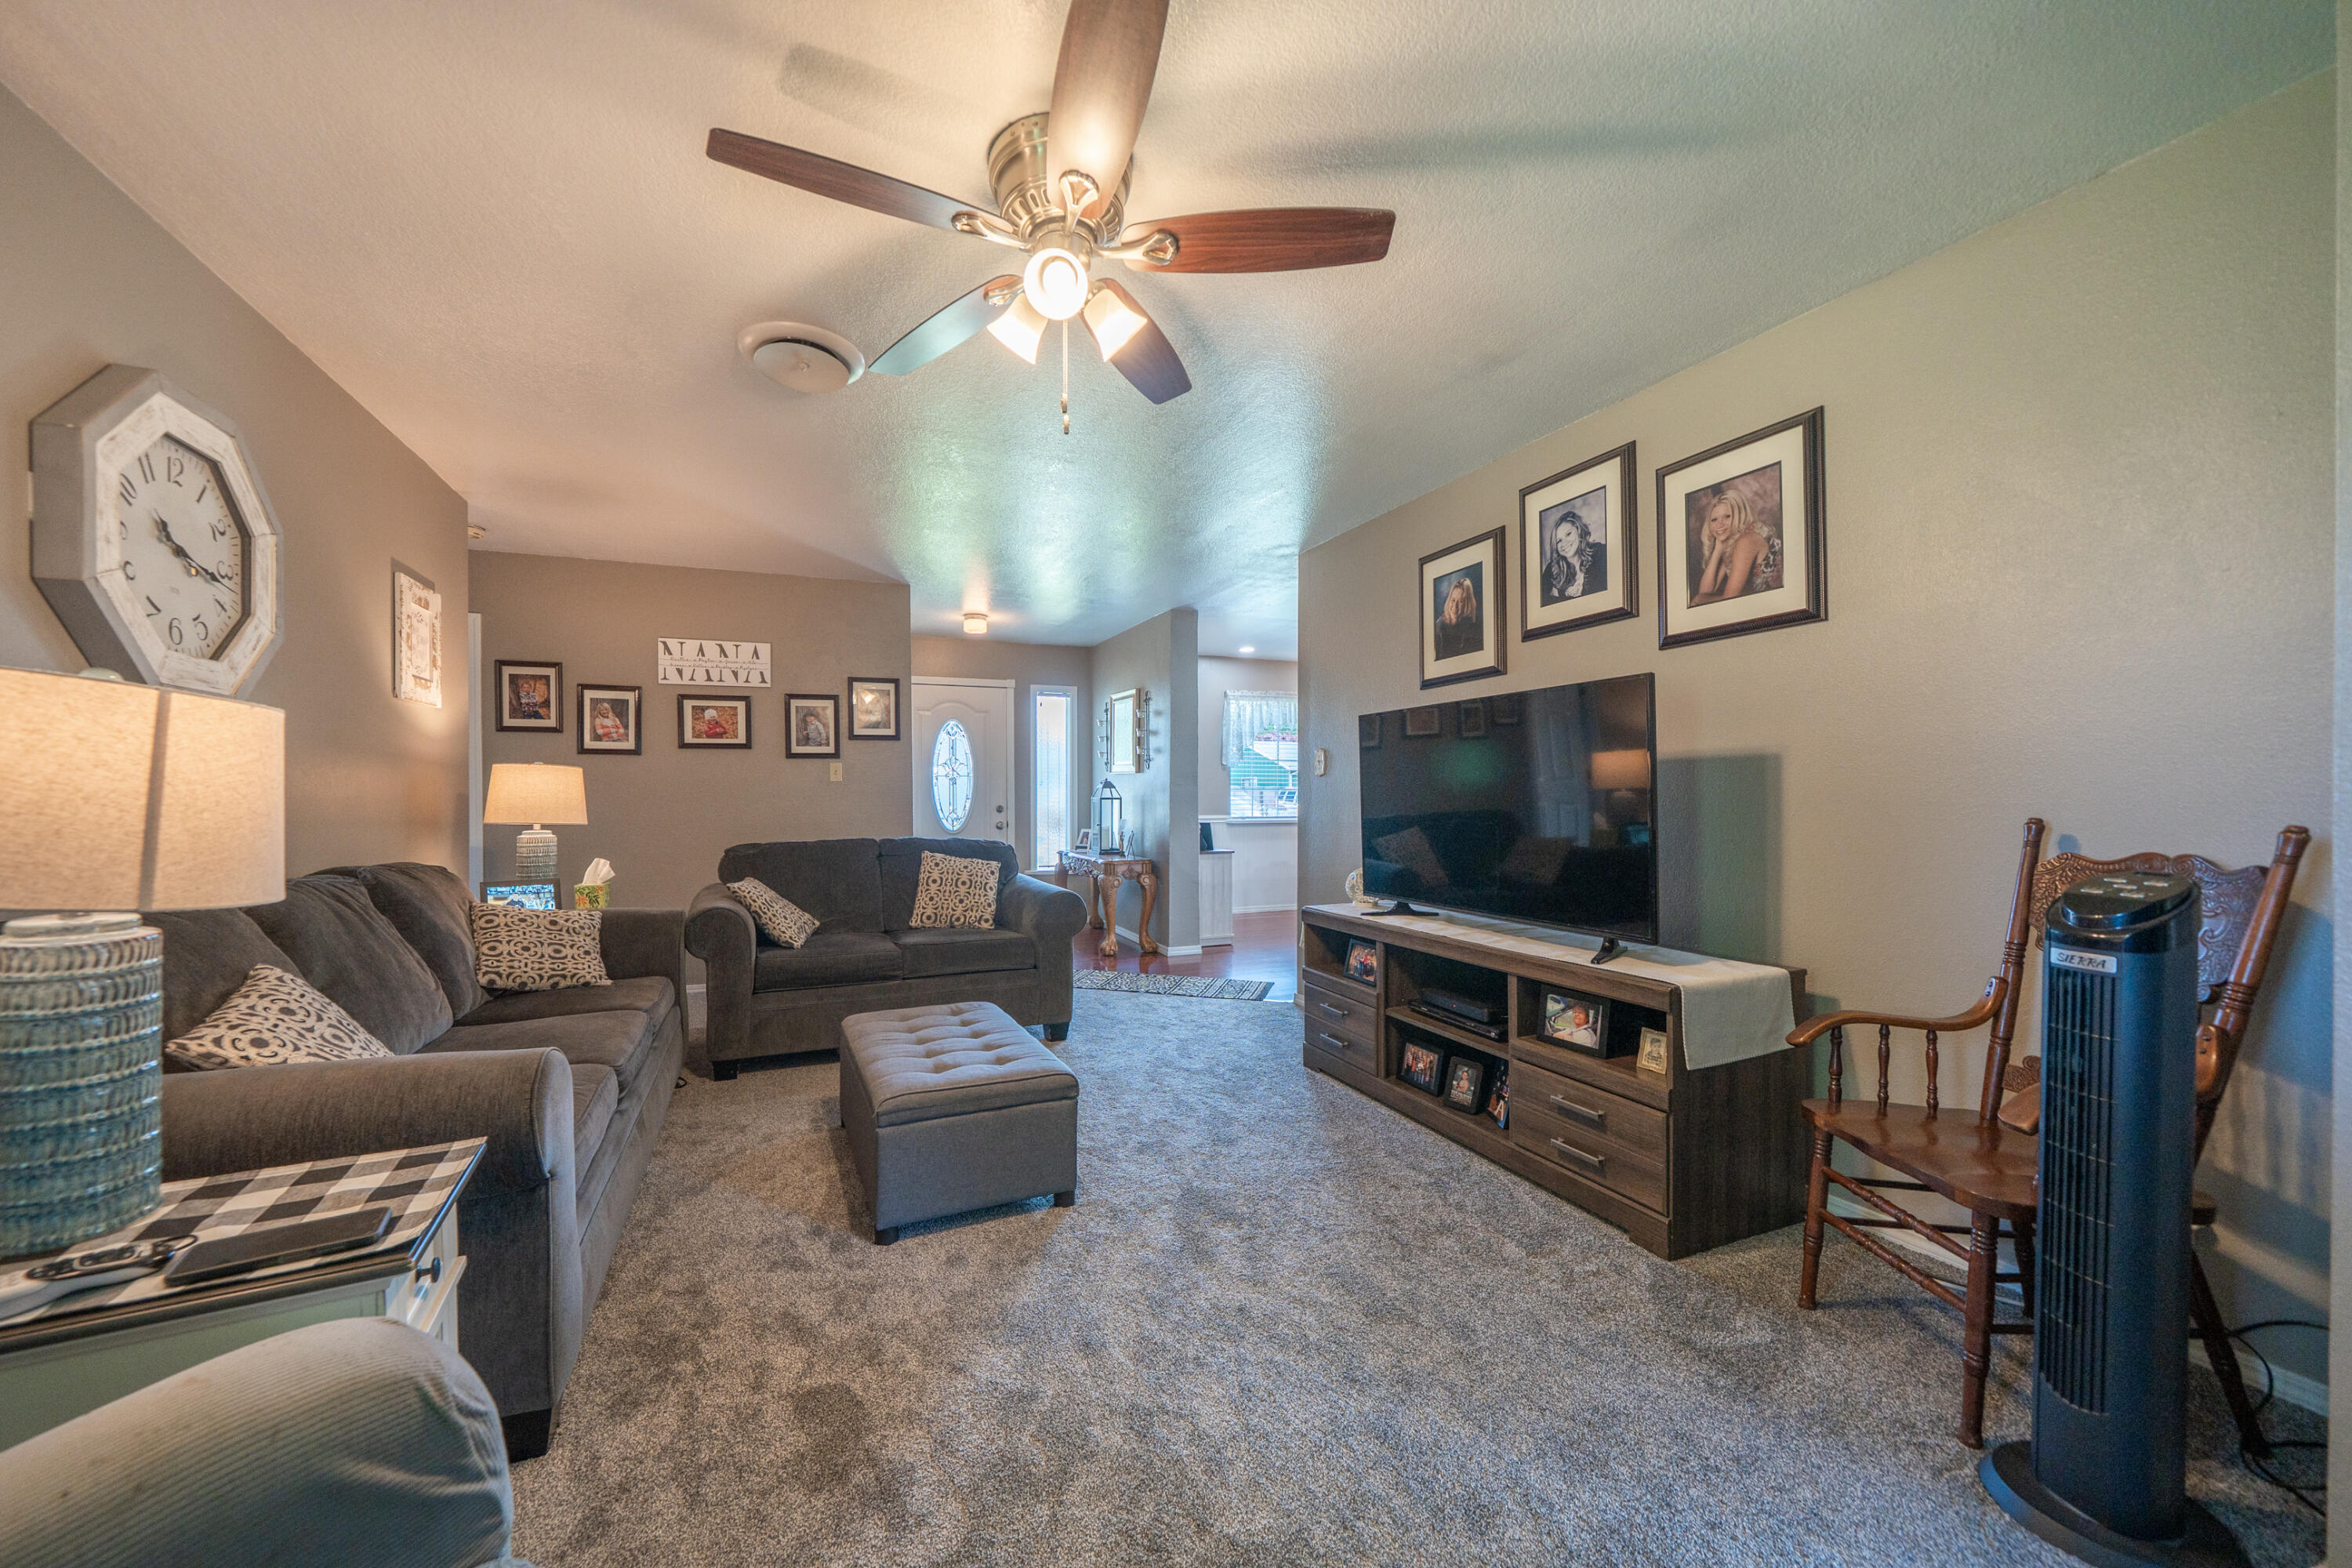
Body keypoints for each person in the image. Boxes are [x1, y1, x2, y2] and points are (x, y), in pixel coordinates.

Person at [1690, 486, 1784, 605]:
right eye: (1714, 520)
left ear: (1739, 515)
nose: (1719, 524)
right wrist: (1718, 548)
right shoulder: (1734, 540)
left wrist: (1699, 600)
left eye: (1727, 517)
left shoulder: (1747, 541)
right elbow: (1706, 591)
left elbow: (1731, 599)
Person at [1544, 508, 1593, 602]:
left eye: (1568, 534)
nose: (1564, 543)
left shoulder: (1600, 553)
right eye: (1559, 541)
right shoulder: (1552, 569)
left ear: (1579, 531)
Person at [1432, 569, 1482, 660]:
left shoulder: (1472, 626)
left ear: (1467, 604)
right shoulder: (1438, 628)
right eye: (1453, 600)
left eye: (1461, 601)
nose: (1455, 606)